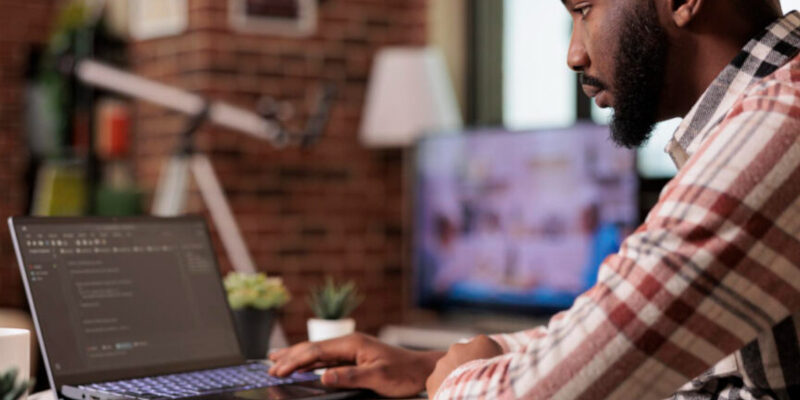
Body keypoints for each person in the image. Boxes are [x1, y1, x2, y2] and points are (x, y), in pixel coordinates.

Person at [269, 0, 800, 398]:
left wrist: (460, 382)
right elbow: (629, 331)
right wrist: (436, 363)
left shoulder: (781, 122)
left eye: (584, 9)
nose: (575, 54)